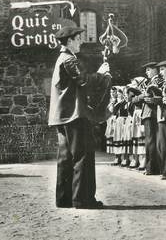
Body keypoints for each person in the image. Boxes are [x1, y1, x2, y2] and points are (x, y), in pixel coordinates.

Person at [48, 26, 110, 209]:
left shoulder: (63, 58)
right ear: (69, 41)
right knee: (83, 156)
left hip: (63, 116)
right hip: (74, 115)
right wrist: (103, 74)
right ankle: (83, 200)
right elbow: (83, 80)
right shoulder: (68, 59)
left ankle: (65, 199)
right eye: (78, 39)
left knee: (66, 159)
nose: (81, 42)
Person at [132, 62, 162, 175]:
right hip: (148, 113)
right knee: (150, 142)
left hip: (151, 114)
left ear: (155, 70)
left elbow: (146, 96)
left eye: (148, 70)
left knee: (151, 142)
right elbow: (137, 99)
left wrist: (139, 96)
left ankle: (152, 168)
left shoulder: (156, 81)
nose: (146, 72)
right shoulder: (150, 82)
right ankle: (151, 167)